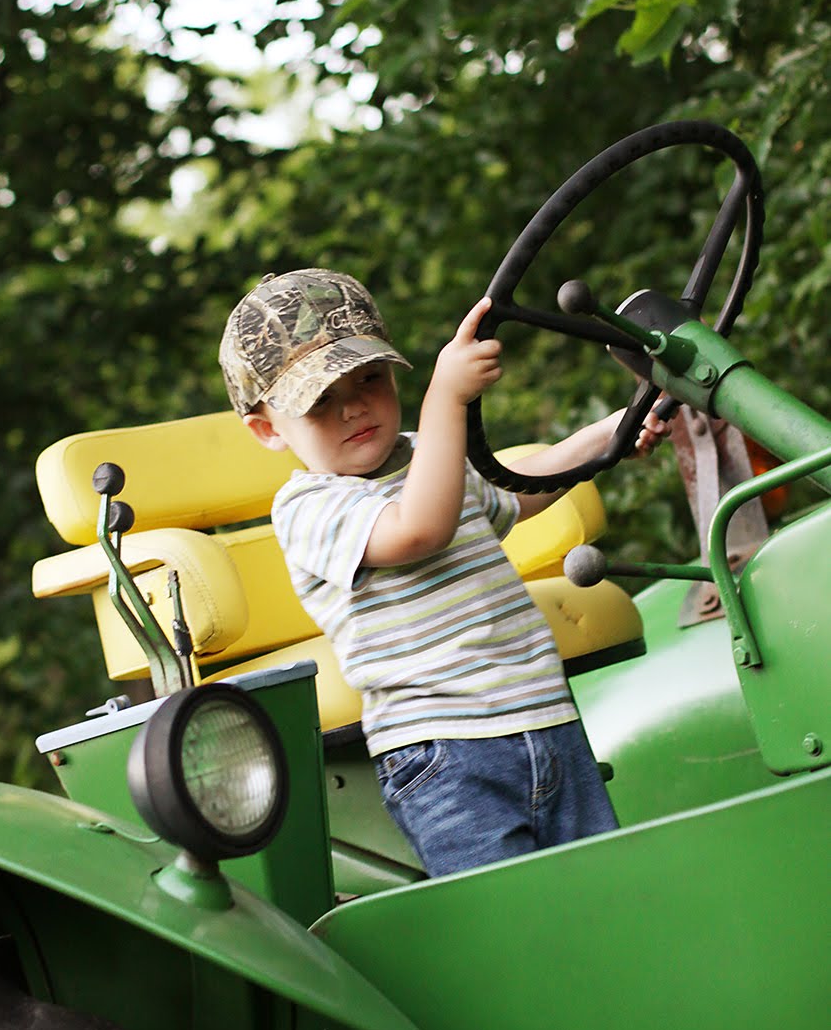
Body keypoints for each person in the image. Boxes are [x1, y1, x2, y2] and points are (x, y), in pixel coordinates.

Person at [219, 268, 669, 877]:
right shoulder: (308, 508)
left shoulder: (427, 456)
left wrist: (619, 428)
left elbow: (523, 488)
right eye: (321, 402)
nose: (354, 406)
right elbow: (418, 529)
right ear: (269, 428)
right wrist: (444, 400)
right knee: (507, 926)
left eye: (370, 379)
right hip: (445, 751)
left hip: (545, 719)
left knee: (603, 896)